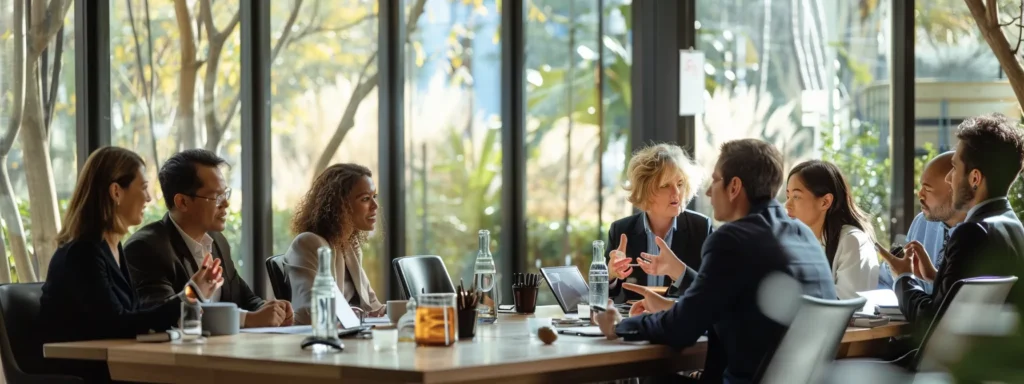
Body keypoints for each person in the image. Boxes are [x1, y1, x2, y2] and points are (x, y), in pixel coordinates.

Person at [595, 139, 838, 384]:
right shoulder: (803, 234)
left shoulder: (731, 239)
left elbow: (682, 330)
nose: (709, 191)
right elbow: (735, 311)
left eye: (716, 180)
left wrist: (620, 326)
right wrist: (672, 308)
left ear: (734, 187)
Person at [39, 147, 223, 382]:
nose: (149, 198)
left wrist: (190, 295)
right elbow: (118, 325)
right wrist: (191, 294)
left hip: (112, 368)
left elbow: (131, 317)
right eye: (144, 188)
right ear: (116, 191)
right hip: (86, 375)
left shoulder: (112, 248)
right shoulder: (82, 253)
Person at [881, 114, 1024, 329]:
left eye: (955, 168)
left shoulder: (971, 233)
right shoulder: (1013, 227)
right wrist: (936, 277)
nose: (949, 178)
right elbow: (973, 306)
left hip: (945, 362)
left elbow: (932, 323)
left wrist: (903, 278)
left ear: (975, 178)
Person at [125, 149, 293, 328]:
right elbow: (163, 316)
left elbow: (245, 299)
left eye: (225, 194)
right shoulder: (145, 248)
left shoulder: (218, 241)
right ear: (182, 202)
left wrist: (274, 311)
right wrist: (247, 319)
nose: (226, 203)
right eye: (216, 196)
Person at [607, 143, 712, 302]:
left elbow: (714, 291)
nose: (676, 193)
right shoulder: (621, 230)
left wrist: (679, 272)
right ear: (645, 190)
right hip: (634, 322)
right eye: (665, 185)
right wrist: (610, 276)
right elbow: (601, 297)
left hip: (680, 324)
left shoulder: (701, 227)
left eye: (680, 183)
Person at [286, 164, 385, 324]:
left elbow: (373, 307)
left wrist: (411, 308)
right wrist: (355, 315)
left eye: (374, 196)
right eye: (365, 199)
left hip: (351, 338)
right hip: (321, 343)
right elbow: (310, 312)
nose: (375, 206)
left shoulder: (350, 246)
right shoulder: (308, 243)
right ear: (340, 206)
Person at [784, 160, 879, 299]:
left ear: (825, 202)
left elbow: (846, 301)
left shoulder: (853, 241)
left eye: (796, 196)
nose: (787, 205)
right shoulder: (796, 241)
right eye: (788, 196)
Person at [878, 152, 965, 292]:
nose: (920, 194)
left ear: (954, 190)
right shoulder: (923, 221)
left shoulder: (976, 234)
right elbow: (886, 280)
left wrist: (905, 279)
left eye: (927, 189)